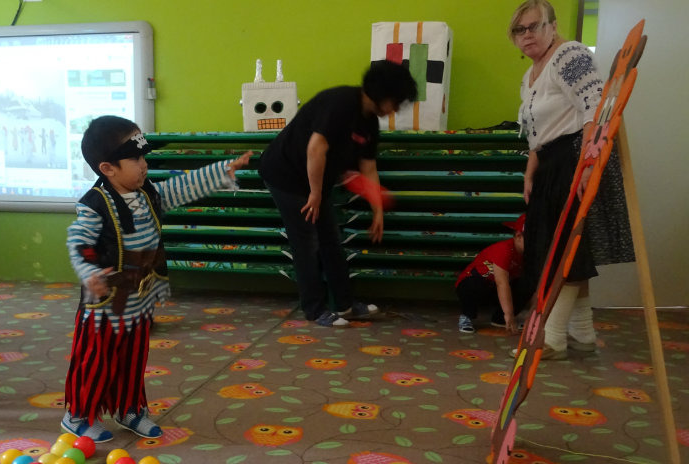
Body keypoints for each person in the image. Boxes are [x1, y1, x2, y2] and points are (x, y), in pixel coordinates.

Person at [63, 115, 251, 442]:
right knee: (96, 361)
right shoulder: (95, 205)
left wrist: (222, 170)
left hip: (139, 299)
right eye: (135, 159)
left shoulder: (148, 192)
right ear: (108, 168)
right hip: (104, 305)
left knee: (133, 360)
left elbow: (181, 186)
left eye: (143, 157)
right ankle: (78, 414)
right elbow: (79, 242)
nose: (144, 165)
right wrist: (90, 272)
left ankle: (129, 408)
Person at [510, 0, 634, 359]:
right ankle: (582, 333)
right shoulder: (530, 75)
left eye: (535, 26)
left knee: (565, 248)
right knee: (565, 248)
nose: (527, 35)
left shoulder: (569, 55)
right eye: (520, 29)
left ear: (552, 26)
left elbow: (596, 105)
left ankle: (552, 338)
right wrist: (531, 170)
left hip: (576, 157)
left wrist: (590, 163)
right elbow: (539, 133)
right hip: (550, 163)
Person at [258, 61, 417, 327]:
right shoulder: (341, 103)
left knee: (330, 239)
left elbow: (368, 167)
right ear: (381, 93)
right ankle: (314, 309)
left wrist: (378, 210)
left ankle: (345, 305)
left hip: (314, 181)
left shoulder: (369, 123)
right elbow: (315, 148)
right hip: (285, 174)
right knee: (306, 243)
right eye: (396, 101)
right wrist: (315, 194)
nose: (396, 109)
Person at [455, 214, 527, 334]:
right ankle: (467, 316)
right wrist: (509, 314)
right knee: (474, 283)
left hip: (495, 290)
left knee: (526, 284)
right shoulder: (504, 249)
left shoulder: (529, 255)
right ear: (519, 236)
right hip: (477, 284)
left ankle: (500, 319)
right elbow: (501, 283)